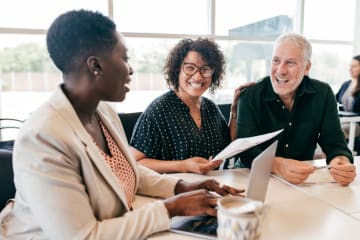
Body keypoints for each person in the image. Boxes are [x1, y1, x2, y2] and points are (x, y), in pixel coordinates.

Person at [0, 10, 244, 240]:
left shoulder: (102, 110)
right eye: (124, 58)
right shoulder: (43, 136)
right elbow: (84, 236)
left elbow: (126, 170)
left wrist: (182, 186)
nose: (131, 69)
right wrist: (170, 209)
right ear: (95, 66)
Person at [236, 33, 356, 186]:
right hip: (253, 178)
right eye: (276, 61)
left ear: (307, 67)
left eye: (290, 63)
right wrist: (278, 165)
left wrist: (340, 162)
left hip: (302, 181)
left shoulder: (323, 93)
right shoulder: (250, 95)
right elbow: (246, 151)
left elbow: (335, 144)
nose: (280, 70)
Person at [130, 38, 253, 174]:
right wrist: (183, 165)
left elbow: (230, 144)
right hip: (174, 190)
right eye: (190, 68)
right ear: (177, 71)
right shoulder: (158, 110)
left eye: (205, 69)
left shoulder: (210, 107)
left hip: (212, 186)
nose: (198, 77)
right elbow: (135, 162)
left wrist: (235, 109)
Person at [336, 55, 360, 139]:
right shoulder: (346, 84)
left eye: (354, 66)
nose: (350, 69)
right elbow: (333, 99)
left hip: (356, 123)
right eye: (350, 66)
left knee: (336, 131)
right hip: (343, 120)